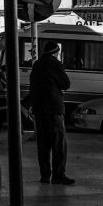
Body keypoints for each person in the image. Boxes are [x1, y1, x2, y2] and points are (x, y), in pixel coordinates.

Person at [29, 40, 75, 185]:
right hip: (53, 110)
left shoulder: (36, 64)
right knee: (58, 144)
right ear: (56, 52)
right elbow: (66, 83)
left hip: (39, 110)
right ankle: (58, 175)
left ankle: (44, 176)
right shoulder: (54, 63)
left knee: (42, 145)